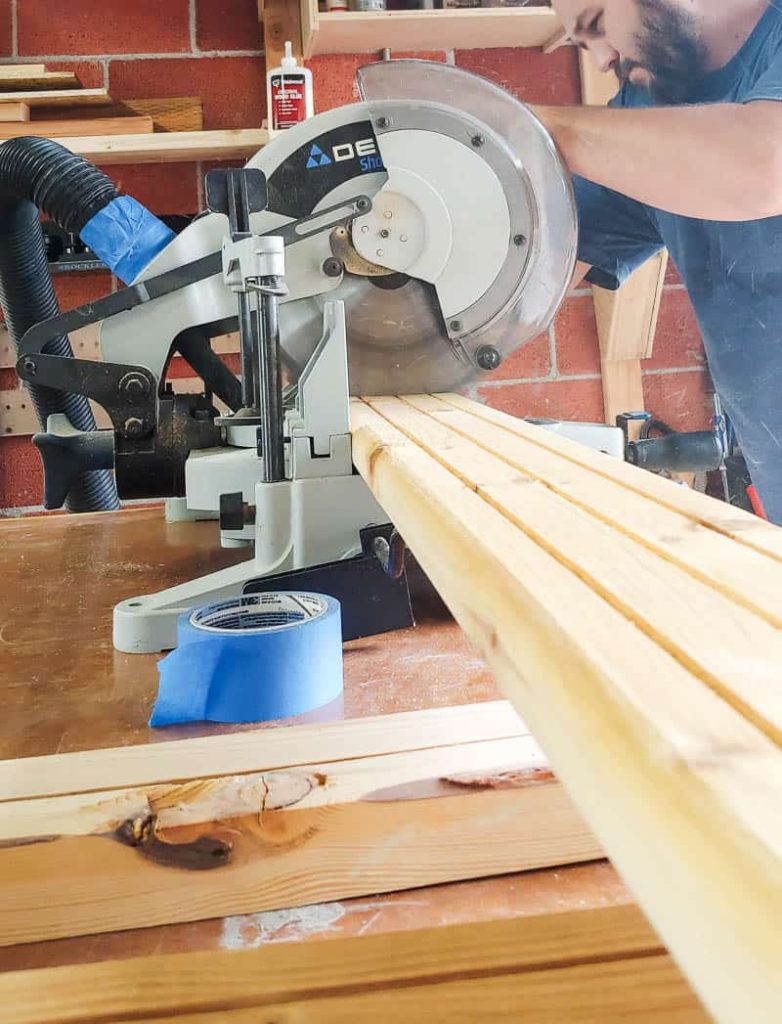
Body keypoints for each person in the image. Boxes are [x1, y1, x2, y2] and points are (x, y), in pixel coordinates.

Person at [531, 0, 782, 522]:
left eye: (596, 26)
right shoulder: (645, 113)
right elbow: (526, 268)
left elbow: (763, 163)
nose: (602, 60)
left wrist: (531, 128)